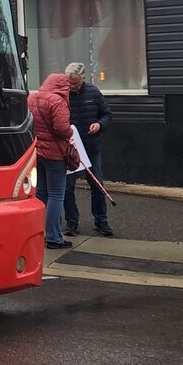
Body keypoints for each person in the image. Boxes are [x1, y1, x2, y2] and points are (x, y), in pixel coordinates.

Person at [63, 61, 114, 237]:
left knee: (97, 184)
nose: (72, 86)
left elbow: (107, 114)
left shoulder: (93, 92)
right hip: (70, 149)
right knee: (68, 187)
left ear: (83, 78)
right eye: (70, 83)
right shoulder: (62, 94)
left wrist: (99, 125)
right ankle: (71, 220)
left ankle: (101, 220)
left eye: (76, 83)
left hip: (91, 147)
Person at [27, 72, 74, 249]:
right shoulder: (57, 101)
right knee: (56, 194)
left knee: (40, 193)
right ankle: (54, 237)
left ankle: (38, 233)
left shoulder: (32, 98)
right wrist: (71, 131)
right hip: (55, 154)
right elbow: (62, 128)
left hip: (36, 152)